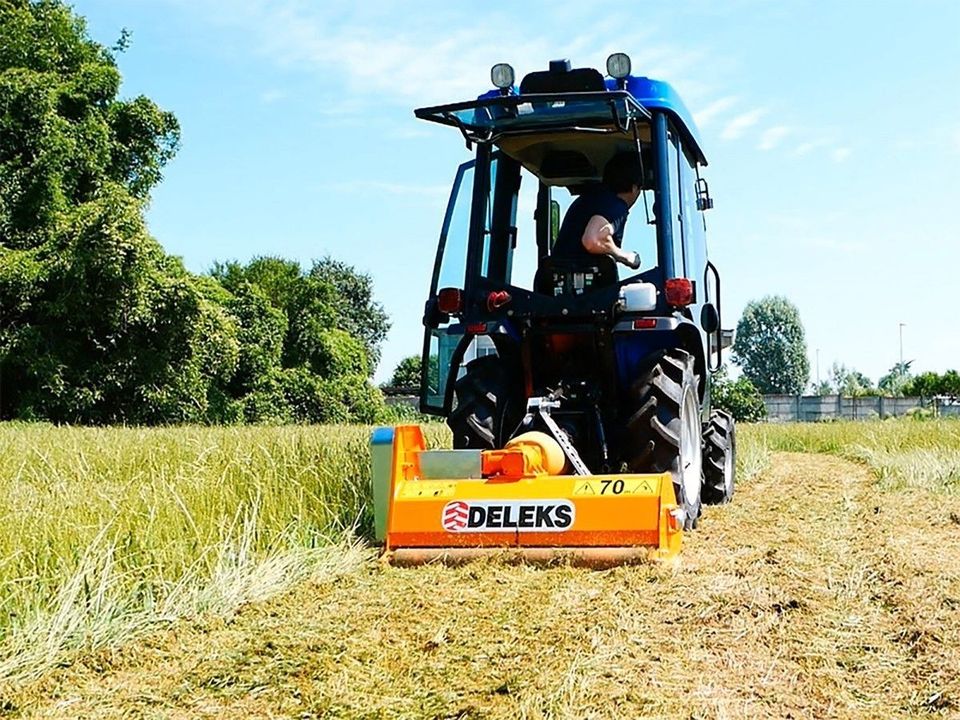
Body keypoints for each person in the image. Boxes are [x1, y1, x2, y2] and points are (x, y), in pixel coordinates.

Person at [552, 152, 644, 272]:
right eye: (640, 189)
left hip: (557, 276)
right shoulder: (616, 206)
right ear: (634, 188)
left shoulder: (591, 198)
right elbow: (593, 240)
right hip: (583, 283)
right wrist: (625, 257)